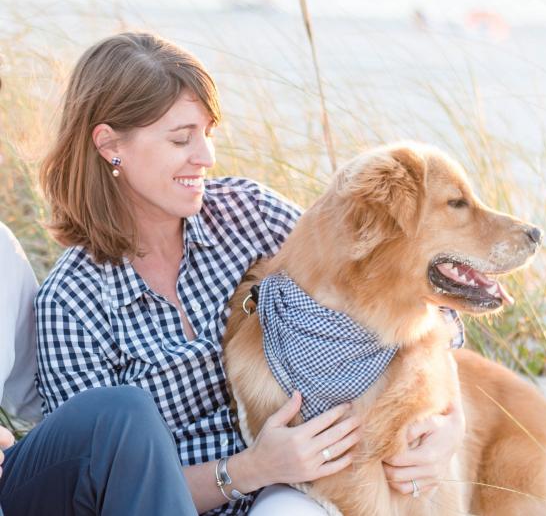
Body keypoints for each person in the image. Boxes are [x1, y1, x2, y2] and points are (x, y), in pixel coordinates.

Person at [34, 32, 466, 515]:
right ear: (111, 145)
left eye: (208, 133)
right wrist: (251, 469)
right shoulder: (70, 302)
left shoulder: (251, 215)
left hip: (301, 496)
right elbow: (98, 490)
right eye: (181, 138)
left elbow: (405, 299)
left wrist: (452, 424)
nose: (206, 157)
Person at [0, 82, 200, 516]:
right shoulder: (71, 294)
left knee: (120, 412)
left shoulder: (3, 253)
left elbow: (41, 412)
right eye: (182, 138)